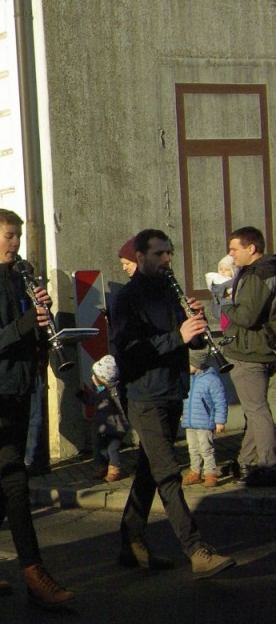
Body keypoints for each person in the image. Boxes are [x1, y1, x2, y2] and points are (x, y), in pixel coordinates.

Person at [0, 209, 74, 608]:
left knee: (7, 479)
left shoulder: (22, 275)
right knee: (16, 479)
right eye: (8, 236)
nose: (15, 243)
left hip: (21, 385)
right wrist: (22, 325)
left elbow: (29, 327)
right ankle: (34, 572)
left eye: (18, 236)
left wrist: (43, 320)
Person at [110, 228, 236, 578]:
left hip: (172, 389)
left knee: (151, 470)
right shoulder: (127, 299)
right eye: (158, 254)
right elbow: (129, 352)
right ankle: (196, 549)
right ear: (139, 257)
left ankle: (130, 542)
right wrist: (175, 336)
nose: (167, 260)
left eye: (169, 253)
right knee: (167, 472)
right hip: (144, 394)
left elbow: (189, 346)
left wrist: (194, 327)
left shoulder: (168, 291)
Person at [220, 225, 276, 487]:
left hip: (249, 350)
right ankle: (246, 461)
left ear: (251, 248)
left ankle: (267, 466)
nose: (231, 255)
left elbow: (247, 317)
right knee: (255, 410)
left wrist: (223, 303)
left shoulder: (256, 275)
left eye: (234, 249)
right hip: (262, 348)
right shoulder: (267, 271)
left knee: (257, 410)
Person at [181, 348, 227, 489]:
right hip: (190, 422)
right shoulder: (188, 379)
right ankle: (195, 471)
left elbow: (220, 401)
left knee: (206, 449)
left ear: (197, 364)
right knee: (193, 448)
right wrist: (182, 414)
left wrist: (220, 421)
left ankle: (210, 473)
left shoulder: (211, 380)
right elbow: (184, 399)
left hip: (204, 422)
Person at [89, 355, 128, 483]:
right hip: (102, 424)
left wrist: (124, 424)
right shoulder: (103, 389)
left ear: (105, 379)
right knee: (100, 447)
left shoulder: (115, 391)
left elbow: (118, 407)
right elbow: (93, 400)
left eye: (96, 376)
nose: (93, 378)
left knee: (112, 448)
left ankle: (114, 470)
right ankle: (102, 466)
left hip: (116, 426)